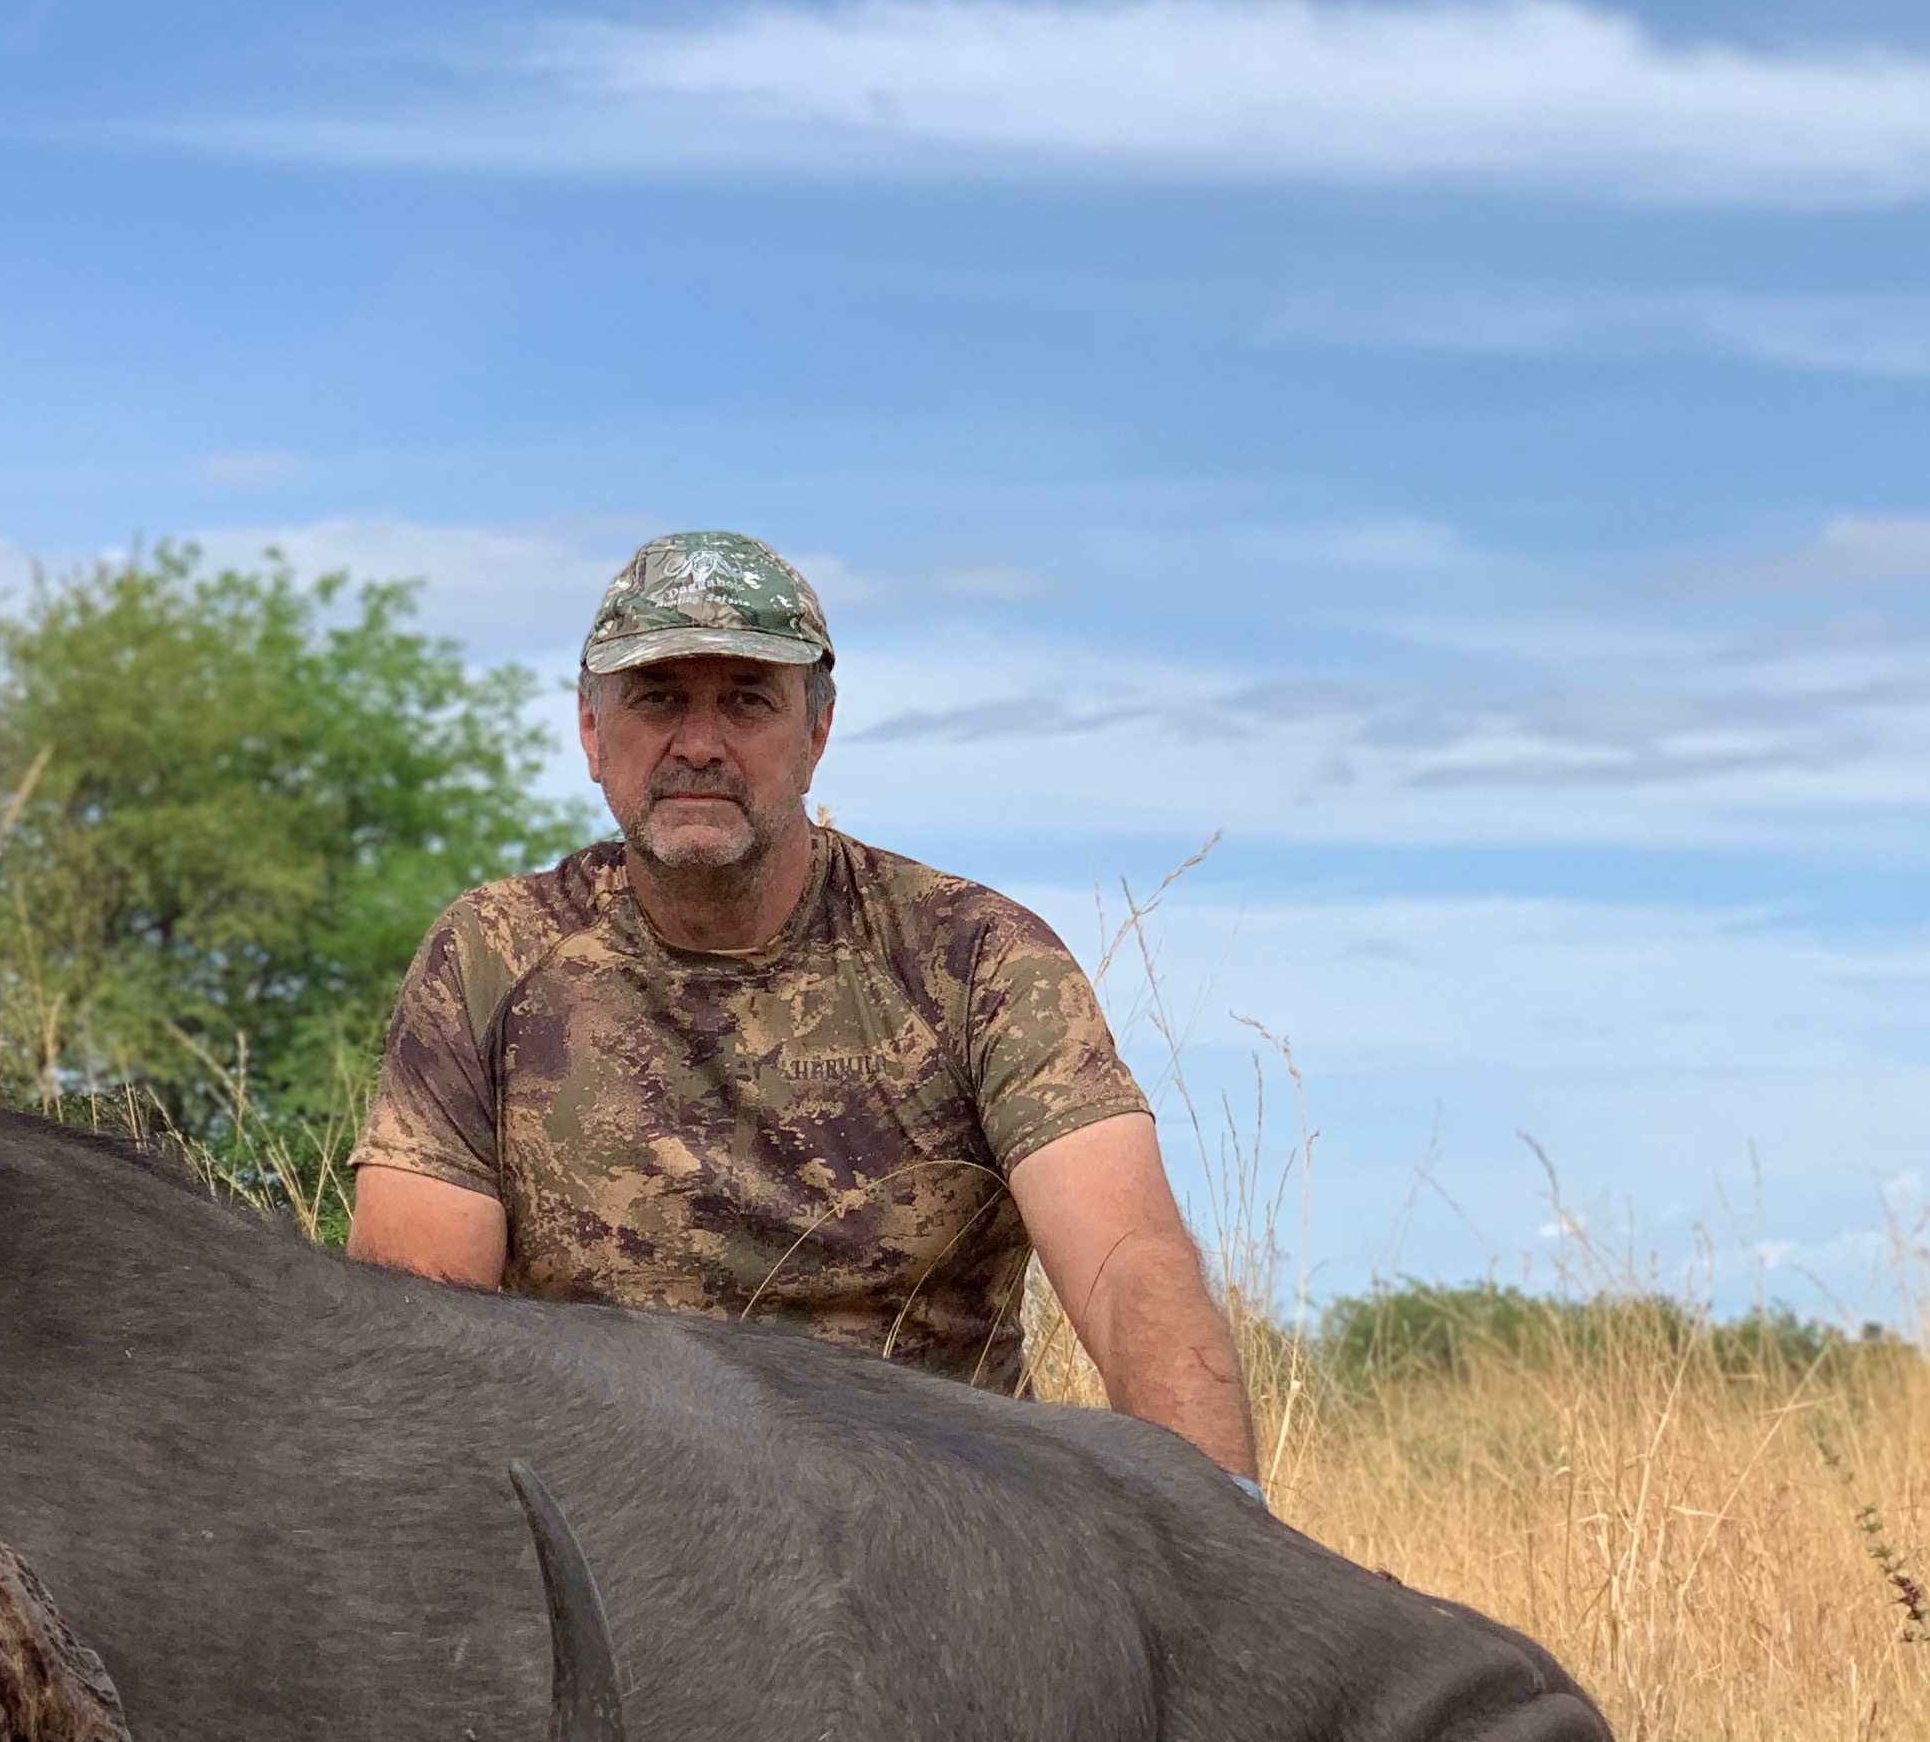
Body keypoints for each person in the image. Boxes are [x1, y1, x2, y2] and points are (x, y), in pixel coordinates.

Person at [348, 530, 1262, 1490]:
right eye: (658, 699)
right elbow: (421, 1332)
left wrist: (1230, 1546)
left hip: (938, 1519)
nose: (699, 744)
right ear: (590, 731)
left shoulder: (978, 957)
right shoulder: (490, 953)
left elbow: (1130, 1270)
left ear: (816, 734)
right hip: (614, 1523)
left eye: (747, 702)